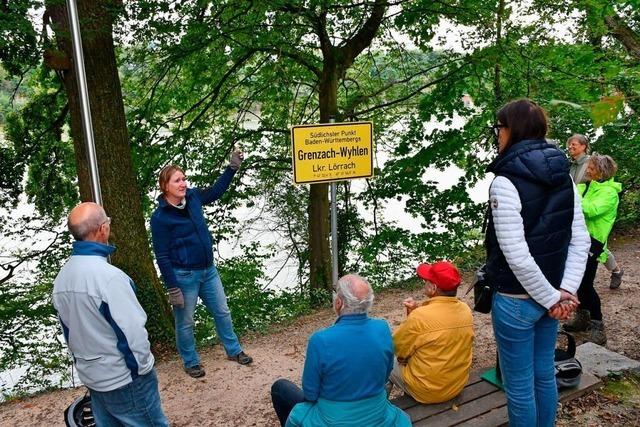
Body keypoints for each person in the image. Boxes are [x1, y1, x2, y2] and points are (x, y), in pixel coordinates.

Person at [485, 99, 591, 427]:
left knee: (519, 386)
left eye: (498, 128)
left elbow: (516, 254)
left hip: (518, 301)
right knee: (544, 375)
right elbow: (580, 240)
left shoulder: (504, 181)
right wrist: (564, 293)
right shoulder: (564, 175)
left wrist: (554, 298)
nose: (497, 135)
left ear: (511, 130)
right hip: (554, 296)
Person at [53, 202, 169, 426]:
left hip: (93, 377)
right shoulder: (109, 278)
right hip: (125, 379)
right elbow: (132, 333)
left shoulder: (62, 278)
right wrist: (143, 372)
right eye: (107, 222)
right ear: (101, 229)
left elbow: (70, 334)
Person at [150, 148, 252, 378]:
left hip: (208, 271)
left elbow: (216, 191)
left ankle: (234, 350)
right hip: (184, 277)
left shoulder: (194, 197)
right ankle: (190, 361)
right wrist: (172, 287)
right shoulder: (160, 218)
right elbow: (162, 255)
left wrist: (232, 168)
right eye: (178, 180)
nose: (183, 183)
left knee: (222, 312)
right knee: (185, 323)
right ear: (165, 186)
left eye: (184, 178)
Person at [270, 274, 411, 427]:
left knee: (280, 388)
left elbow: (310, 394)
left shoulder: (320, 340)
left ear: (339, 303)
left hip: (333, 420)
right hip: (376, 415)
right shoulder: (382, 328)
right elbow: (385, 375)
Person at [390, 261, 474, 403]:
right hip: (455, 386)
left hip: (428, 392)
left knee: (382, 359)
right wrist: (416, 313)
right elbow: (439, 333)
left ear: (433, 287)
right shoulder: (465, 310)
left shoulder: (420, 317)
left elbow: (397, 349)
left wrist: (414, 317)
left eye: (426, 281)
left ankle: (376, 412)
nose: (424, 283)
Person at [563, 155, 622, 344]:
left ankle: (598, 324)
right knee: (577, 282)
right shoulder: (587, 186)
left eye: (591, 168)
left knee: (585, 284)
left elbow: (592, 209)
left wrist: (575, 196)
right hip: (578, 240)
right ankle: (582, 318)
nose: (587, 171)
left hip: (593, 243)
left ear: (601, 171)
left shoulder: (610, 192)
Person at [567, 134, 623, 288]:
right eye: (569, 144)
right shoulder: (572, 164)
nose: (570, 147)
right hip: (582, 219)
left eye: (574, 144)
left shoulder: (592, 168)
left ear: (584, 146)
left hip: (592, 226)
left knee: (599, 251)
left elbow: (592, 209)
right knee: (592, 256)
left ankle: (616, 271)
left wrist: (573, 197)